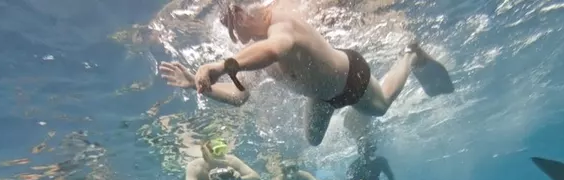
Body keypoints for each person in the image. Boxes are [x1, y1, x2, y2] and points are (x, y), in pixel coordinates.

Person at [158, 1, 454, 146]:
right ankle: (351, 115)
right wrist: (199, 87)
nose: (234, 33)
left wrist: (221, 65)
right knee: (313, 141)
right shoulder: (252, 54)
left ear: (252, 11)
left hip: (351, 77)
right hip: (322, 98)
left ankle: (411, 55)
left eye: (235, 23)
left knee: (383, 105)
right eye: (228, 27)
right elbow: (239, 96)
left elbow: (276, 48)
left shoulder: (280, 23)